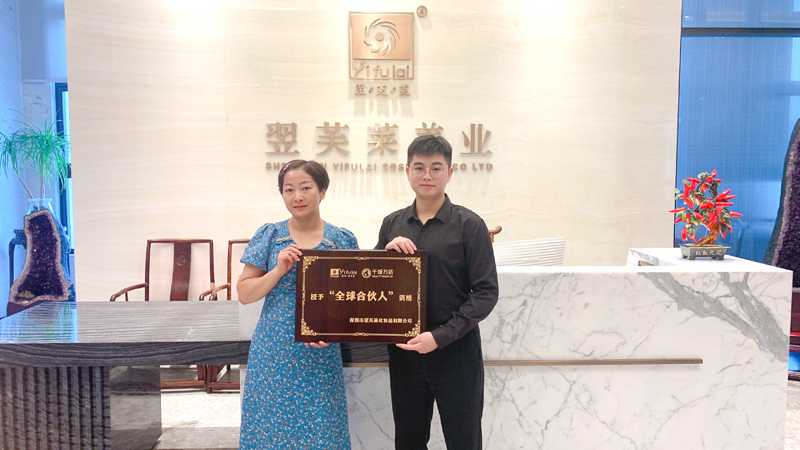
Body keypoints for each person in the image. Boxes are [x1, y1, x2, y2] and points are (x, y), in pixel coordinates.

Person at [376, 134, 499, 450]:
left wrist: (440, 336)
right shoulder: (392, 224)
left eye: (436, 168)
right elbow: (373, 285)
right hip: (405, 353)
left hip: (456, 352)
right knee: (409, 440)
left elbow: (486, 292)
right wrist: (384, 254)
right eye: (419, 168)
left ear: (450, 172)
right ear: (407, 172)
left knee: (464, 440)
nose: (427, 175)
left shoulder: (470, 225)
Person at [237, 160, 357, 450]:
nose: (297, 197)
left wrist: (335, 332)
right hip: (274, 350)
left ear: (322, 191)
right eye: (289, 190)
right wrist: (278, 270)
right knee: (270, 429)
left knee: (322, 429)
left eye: (306, 188)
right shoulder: (270, 236)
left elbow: (353, 299)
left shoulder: (341, 240)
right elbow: (244, 293)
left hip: (321, 352)